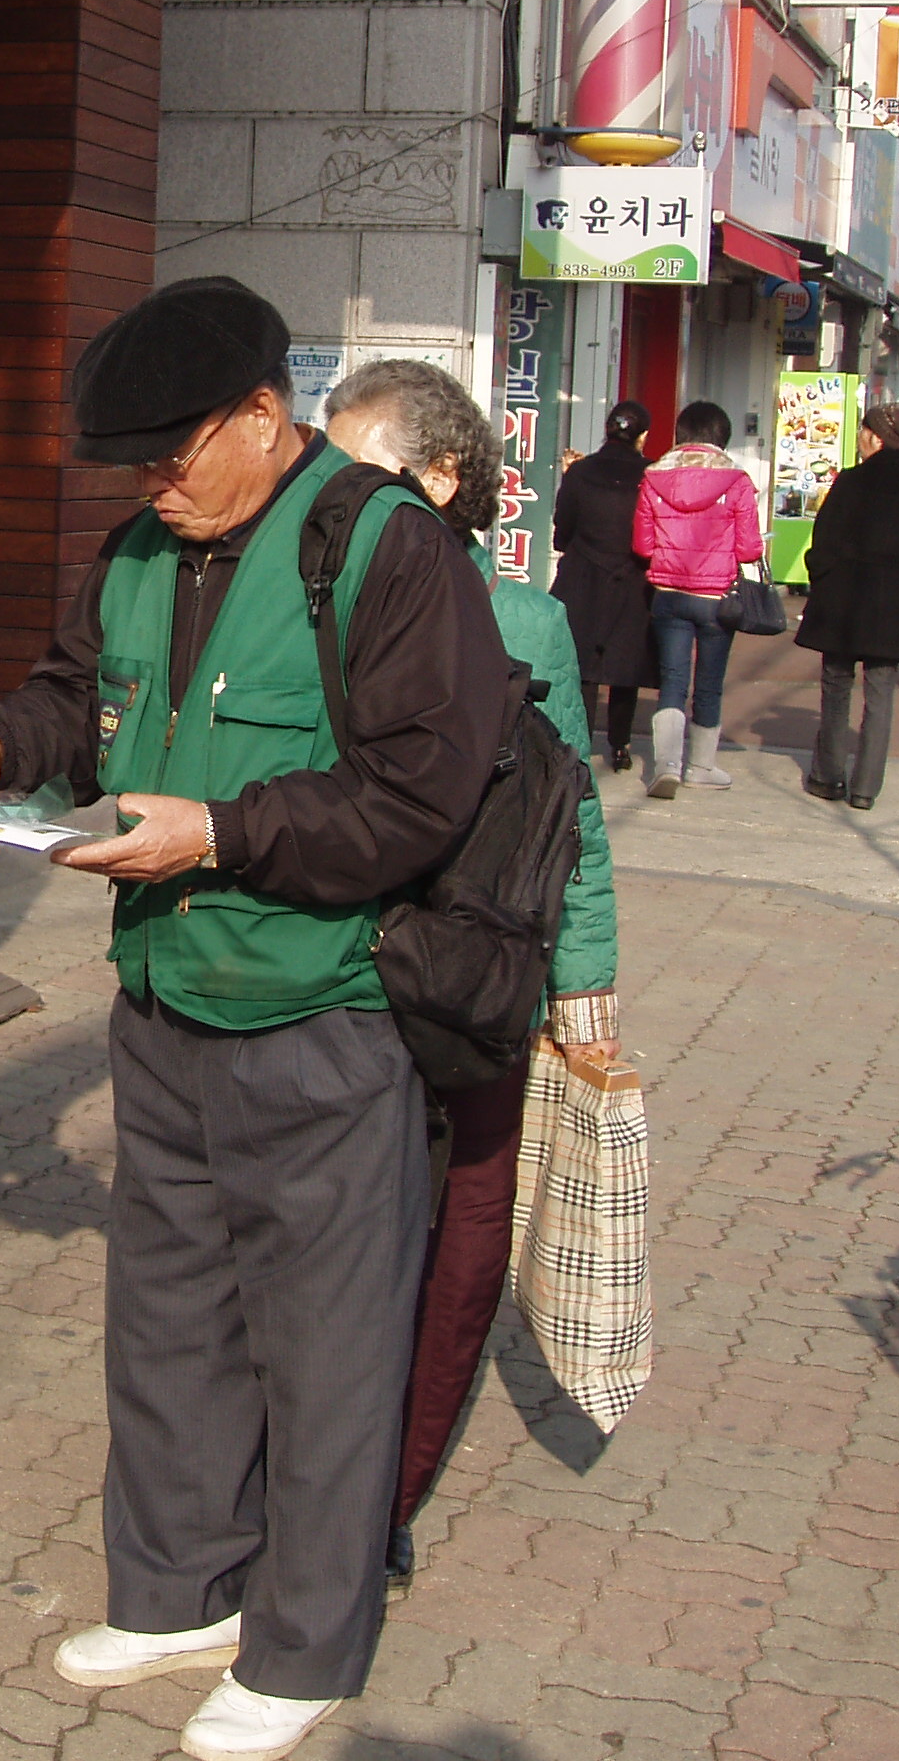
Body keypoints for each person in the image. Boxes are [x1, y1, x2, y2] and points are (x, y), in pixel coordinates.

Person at [0, 280, 508, 1761]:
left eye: (174, 454)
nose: (153, 486)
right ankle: (178, 1587)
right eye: (132, 465)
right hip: (165, 1000)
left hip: (326, 1009)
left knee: (324, 1345)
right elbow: (75, 697)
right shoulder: (138, 550)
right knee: (168, 1319)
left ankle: (305, 1646)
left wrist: (221, 834)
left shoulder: (385, 550)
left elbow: (421, 792)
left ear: (264, 414)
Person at [321, 362, 619, 1590]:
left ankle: (387, 1492)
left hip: (482, 964)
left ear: (441, 484)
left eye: (357, 475)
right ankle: (329, 1482)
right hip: (345, 962)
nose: (324, 502)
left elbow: (569, 821)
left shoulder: (524, 621)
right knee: (351, 1235)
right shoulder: (299, 598)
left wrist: (583, 980)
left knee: (463, 1228)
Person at [792, 405, 899, 811]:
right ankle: (866, 787)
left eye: (863, 430)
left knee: (836, 686)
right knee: (880, 694)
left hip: (842, 597)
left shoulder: (852, 482)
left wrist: (821, 575)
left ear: (876, 437)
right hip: (892, 605)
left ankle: (828, 775)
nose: (859, 437)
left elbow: (822, 543)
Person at [632, 400, 762, 798]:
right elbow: (749, 549)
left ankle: (665, 765)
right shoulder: (737, 481)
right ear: (722, 438)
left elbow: (642, 544)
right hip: (717, 598)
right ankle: (701, 766)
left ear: (680, 435)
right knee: (709, 683)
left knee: (672, 681)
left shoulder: (653, 478)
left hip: (668, 595)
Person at [551, 402, 657, 770]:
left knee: (582, 665)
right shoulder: (651, 475)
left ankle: (578, 740)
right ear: (642, 436)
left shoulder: (579, 473)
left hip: (582, 576)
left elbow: (561, 533)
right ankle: (620, 744)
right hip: (632, 579)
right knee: (626, 664)